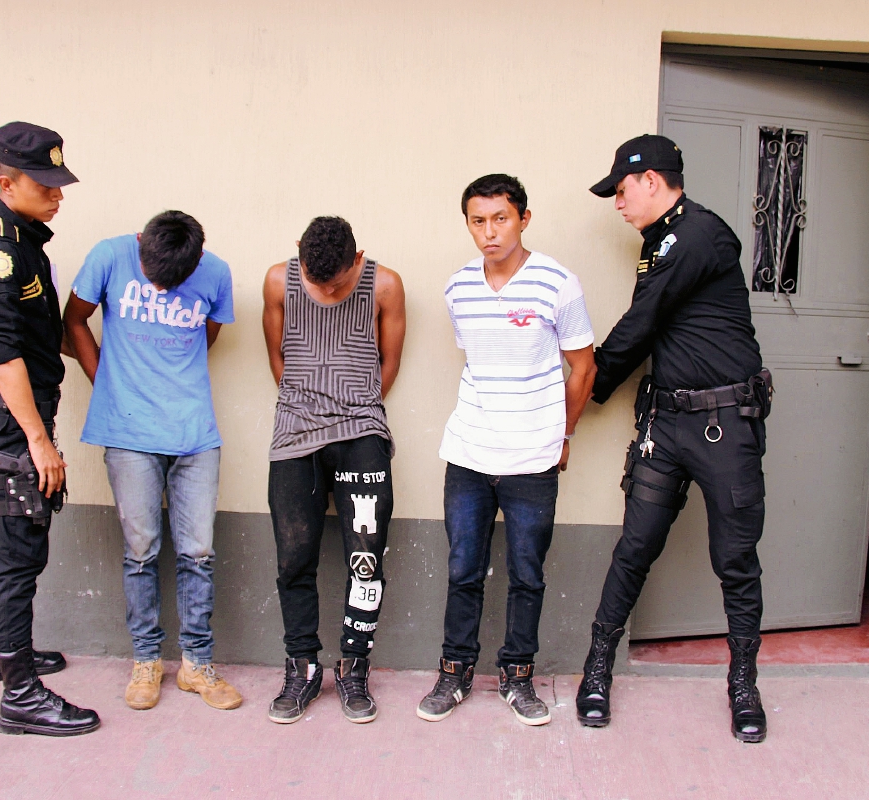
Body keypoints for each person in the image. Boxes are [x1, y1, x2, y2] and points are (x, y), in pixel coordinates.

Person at [577, 134, 772, 743]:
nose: (616, 201)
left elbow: (642, 322)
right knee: (634, 548)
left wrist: (582, 391)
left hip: (724, 427)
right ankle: (597, 670)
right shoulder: (660, 242)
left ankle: (743, 683)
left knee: (735, 561)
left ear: (653, 181)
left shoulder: (699, 235)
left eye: (622, 189)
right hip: (666, 424)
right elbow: (656, 326)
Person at [417, 174, 596, 727]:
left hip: (532, 457)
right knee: (463, 569)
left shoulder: (558, 284)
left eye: (500, 218)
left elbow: (583, 366)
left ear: (523, 218)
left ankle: (518, 677)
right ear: (467, 223)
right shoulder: (458, 288)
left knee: (527, 574)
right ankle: (454, 674)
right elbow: (478, 361)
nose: (489, 232)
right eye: (478, 220)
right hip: (469, 451)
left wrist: (561, 436)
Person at [63, 210, 241, 713]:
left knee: (198, 552)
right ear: (141, 242)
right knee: (140, 550)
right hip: (128, 432)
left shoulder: (216, 273)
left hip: (194, 432)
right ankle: (145, 659)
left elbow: (204, 337)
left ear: (198, 260)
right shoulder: (108, 255)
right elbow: (73, 321)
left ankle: (196, 664)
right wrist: (107, 383)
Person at [0, 121, 99, 736]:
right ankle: (21, 693)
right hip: (18, 420)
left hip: (9, 416)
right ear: (6, 182)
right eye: (45, 184)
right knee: (19, 548)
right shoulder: (1, 253)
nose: (58, 194)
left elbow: (37, 339)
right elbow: (3, 352)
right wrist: (38, 442)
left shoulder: (23, 239)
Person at [261, 216, 406, 724]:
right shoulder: (279, 280)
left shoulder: (384, 284)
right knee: (293, 557)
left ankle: (353, 664)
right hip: (294, 435)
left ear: (359, 261)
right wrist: (308, 406)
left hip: (361, 433)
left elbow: (389, 361)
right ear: (298, 251)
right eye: (315, 278)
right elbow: (279, 357)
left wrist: (352, 409)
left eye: (338, 283)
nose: (325, 289)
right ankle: (301, 667)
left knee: (365, 557)